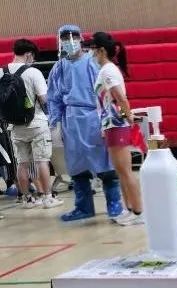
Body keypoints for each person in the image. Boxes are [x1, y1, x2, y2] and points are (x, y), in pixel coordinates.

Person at [48, 24, 123, 222]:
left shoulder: (92, 62)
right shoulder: (59, 67)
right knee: (76, 166)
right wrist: (55, 122)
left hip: (93, 117)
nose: (70, 41)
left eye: (73, 36)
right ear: (60, 41)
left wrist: (107, 118)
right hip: (71, 121)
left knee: (104, 163)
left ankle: (114, 204)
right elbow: (54, 97)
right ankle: (83, 207)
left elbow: (106, 92)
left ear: (81, 38)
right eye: (65, 38)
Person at [83, 32, 143, 226]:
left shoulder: (108, 70)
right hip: (110, 124)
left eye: (93, 49)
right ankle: (129, 209)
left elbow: (120, 98)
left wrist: (127, 117)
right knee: (120, 171)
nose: (91, 53)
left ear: (101, 50)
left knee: (125, 170)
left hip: (116, 124)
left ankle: (138, 211)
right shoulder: (105, 70)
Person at [0, 39, 63, 209]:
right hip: (36, 123)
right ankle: (47, 197)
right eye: (33, 57)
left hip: (14, 126)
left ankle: (27, 199)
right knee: (42, 161)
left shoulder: (1, 71)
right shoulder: (33, 72)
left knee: (22, 163)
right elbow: (44, 99)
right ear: (28, 54)